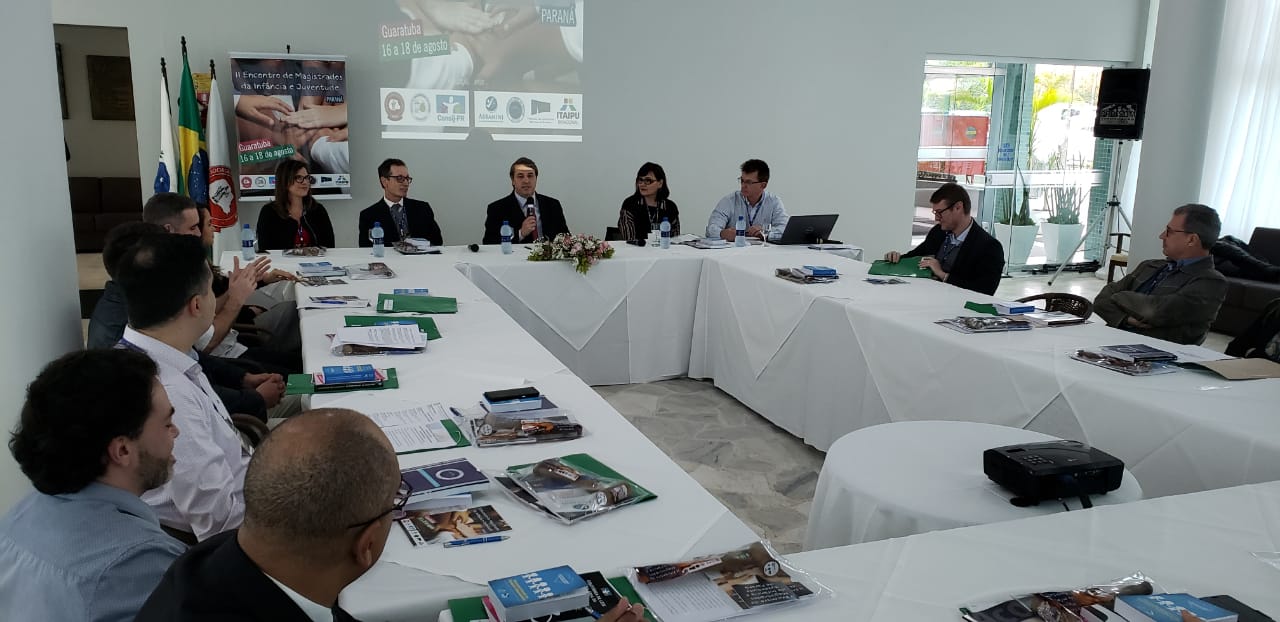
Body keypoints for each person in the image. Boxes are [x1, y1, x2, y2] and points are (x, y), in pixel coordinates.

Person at [0, 349, 185, 622]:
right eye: (167, 423)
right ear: (122, 450)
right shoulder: (143, 561)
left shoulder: (19, 517)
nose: (175, 432)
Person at [115, 233, 252, 540]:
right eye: (211, 288)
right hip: (245, 528)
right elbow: (219, 521)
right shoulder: (165, 393)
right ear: (197, 304)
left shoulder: (159, 355)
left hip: (252, 481)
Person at [1093, 203, 1228, 345]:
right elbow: (1101, 300)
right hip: (1111, 344)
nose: (1162, 236)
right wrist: (1125, 319)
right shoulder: (1149, 265)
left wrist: (1118, 296)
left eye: (1169, 231)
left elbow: (1155, 311)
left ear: (1191, 240)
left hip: (1158, 357)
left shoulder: (1211, 281)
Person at [883, 182, 1004, 295]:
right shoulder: (938, 232)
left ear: (958, 207)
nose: (936, 218)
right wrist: (897, 258)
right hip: (927, 297)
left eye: (939, 212)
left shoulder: (989, 247)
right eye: (935, 213)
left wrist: (943, 275)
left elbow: (985, 291)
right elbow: (915, 256)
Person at [357, 158, 444, 247]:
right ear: (384, 182)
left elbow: (437, 241)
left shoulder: (422, 208)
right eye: (400, 178)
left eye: (407, 178)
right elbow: (366, 250)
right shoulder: (368, 215)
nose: (406, 183)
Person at [483, 157, 570, 244]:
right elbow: (489, 242)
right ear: (513, 180)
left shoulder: (552, 204)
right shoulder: (497, 209)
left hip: (548, 256)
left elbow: (565, 237)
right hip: (514, 256)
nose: (526, 181)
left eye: (530, 175)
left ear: (536, 178)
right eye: (520, 176)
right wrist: (520, 234)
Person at [256, 159, 336, 250]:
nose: (305, 182)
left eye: (307, 178)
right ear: (285, 182)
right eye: (299, 178)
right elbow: (265, 249)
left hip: (315, 263)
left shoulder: (317, 210)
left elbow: (330, 247)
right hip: (282, 263)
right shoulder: (269, 212)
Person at [705, 159, 789, 242]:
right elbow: (711, 229)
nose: (743, 185)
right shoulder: (729, 201)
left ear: (763, 185)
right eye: (742, 180)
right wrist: (722, 233)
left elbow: (786, 230)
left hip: (763, 252)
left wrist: (765, 232)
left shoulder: (774, 202)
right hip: (734, 252)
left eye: (748, 182)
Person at [618, 162, 680, 241]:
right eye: (640, 180)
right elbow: (630, 239)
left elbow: (675, 239)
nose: (642, 184)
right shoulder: (630, 204)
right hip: (637, 250)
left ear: (660, 183)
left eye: (648, 181)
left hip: (664, 251)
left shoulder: (670, 207)